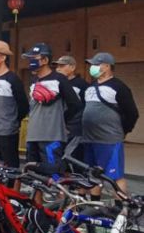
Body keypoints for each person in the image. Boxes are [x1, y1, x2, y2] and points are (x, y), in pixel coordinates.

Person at [82, 52, 139, 196]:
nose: (92, 68)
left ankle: (121, 210)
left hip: (109, 140)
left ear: (107, 66)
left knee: (115, 176)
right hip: (89, 139)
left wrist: (123, 131)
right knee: (94, 174)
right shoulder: (90, 88)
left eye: (95, 64)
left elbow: (132, 113)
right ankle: (94, 206)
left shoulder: (119, 87)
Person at [22, 43, 81, 174]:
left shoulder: (59, 79)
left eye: (34, 58)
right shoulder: (34, 80)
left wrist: (63, 120)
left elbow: (75, 105)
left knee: (53, 173)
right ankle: (37, 195)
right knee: (33, 173)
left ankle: (58, 194)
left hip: (51, 136)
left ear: (45, 60)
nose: (30, 61)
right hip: (33, 136)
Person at [0, 40, 29, 168]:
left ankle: (11, 188)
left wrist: (12, 121)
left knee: (10, 165)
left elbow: (23, 105)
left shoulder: (13, 79)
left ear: (3, 57)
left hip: (7, 131)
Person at [53, 55, 88, 159]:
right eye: (57, 66)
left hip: (74, 128)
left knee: (71, 157)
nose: (58, 69)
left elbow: (84, 107)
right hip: (56, 127)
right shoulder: (55, 83)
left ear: (72, 67)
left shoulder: (82, 85)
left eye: (62, 66)